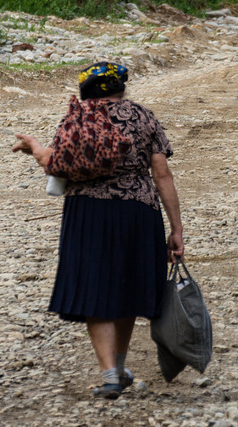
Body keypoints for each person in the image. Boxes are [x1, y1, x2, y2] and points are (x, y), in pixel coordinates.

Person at [12, 62, 184, 399]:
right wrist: (176, 228)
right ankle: (119, 370)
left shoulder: (77, 117)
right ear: (121, 87)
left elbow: (54, 163)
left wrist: (33, 145)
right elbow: (162, 173)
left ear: (86, 90)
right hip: (138, 211)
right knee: (127, 289)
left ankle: (109, 376)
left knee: (95, 290)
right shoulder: (143, 117)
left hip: (87, 212)